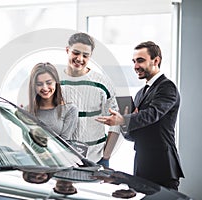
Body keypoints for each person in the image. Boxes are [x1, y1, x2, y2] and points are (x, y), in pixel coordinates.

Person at [96, 41, 184, 190]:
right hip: (141, 166)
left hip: (163, 166)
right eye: (134, 61)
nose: (136, 66)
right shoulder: (140, 93)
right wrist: (122, 123)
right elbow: (132, 136)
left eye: (140, 60)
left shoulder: (167, 87)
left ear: (156, 60)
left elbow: (152, 114)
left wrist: (123, 119)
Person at [58, 32, 120, 167]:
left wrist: (107, 154)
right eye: (76, 53)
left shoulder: (102, 83)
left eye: (85, 55)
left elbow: (116, 121)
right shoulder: (55, 82)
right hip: (63, 159)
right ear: (67, 50)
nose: (80, 58)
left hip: (96, 158)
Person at [28, 62, 78, 141]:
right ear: (33, 86)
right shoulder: (26, 111)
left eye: (49, 83)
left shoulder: (70, 110)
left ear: (56, 82)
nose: (45, 88)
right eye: (39, 84)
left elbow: (64, 143)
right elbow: (26, 142)